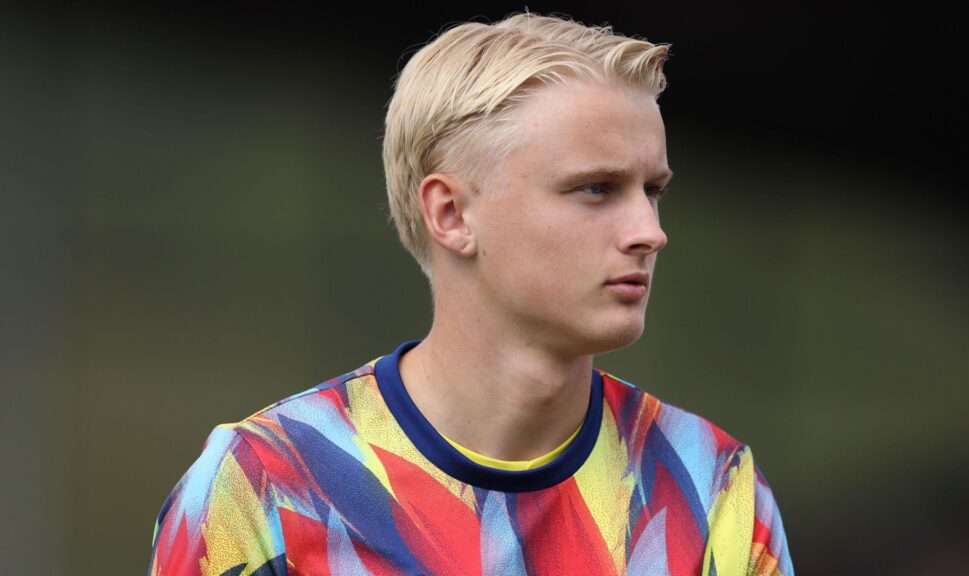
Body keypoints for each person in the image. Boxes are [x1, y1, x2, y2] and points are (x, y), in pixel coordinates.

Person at [147, 11, 793, 576]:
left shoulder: (712, 487)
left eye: (653, 191)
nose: (650, 232)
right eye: (596, 188)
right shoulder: (265, 485)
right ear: (451, 214)